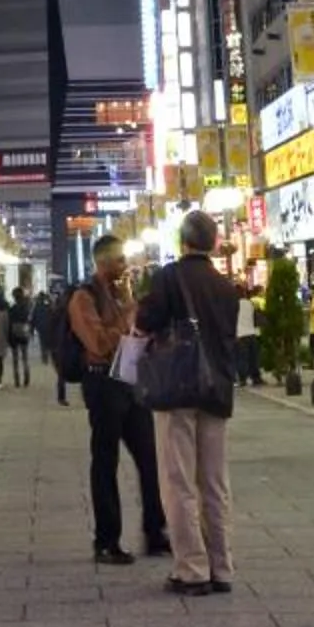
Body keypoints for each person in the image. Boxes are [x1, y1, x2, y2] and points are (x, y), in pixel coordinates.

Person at [138, 211, 243, 595]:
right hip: (217, 390)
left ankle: (192, 568)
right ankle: (223, 567)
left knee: (179, 480)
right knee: (215, 482)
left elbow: (147, 320)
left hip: (178, 387)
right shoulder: (225, 285)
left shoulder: (168, 277)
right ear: (215, 242)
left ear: (182, 242)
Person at [68, 235, 170, 564]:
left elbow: (136, 332)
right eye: (119, 261)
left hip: (129, 380)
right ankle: (106, 540)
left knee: (150, 458)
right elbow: (98, 342)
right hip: (102, 384)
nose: (124, 267)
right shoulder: (84, 298)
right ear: (102, 262)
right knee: (105, 461)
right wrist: (128, 315)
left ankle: (156, 532)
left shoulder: (121, 293)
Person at [39, 286, 74, 405]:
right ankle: (64, 396)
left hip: (58, 344)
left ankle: (61, 396)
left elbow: (50, 327)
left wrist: (48, 344)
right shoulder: (72, 310)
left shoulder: (58, 309)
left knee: (61, 372)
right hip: (67, 343)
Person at [5, 283, 36, 388]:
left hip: (14, 334)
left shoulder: (12, 308)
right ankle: (26, 378)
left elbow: (9, 323)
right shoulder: (26, 308)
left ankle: (17, 380)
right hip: (23, 333)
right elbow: (29, 320)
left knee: (15, 359)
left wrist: (8, 337)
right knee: (25, 357)